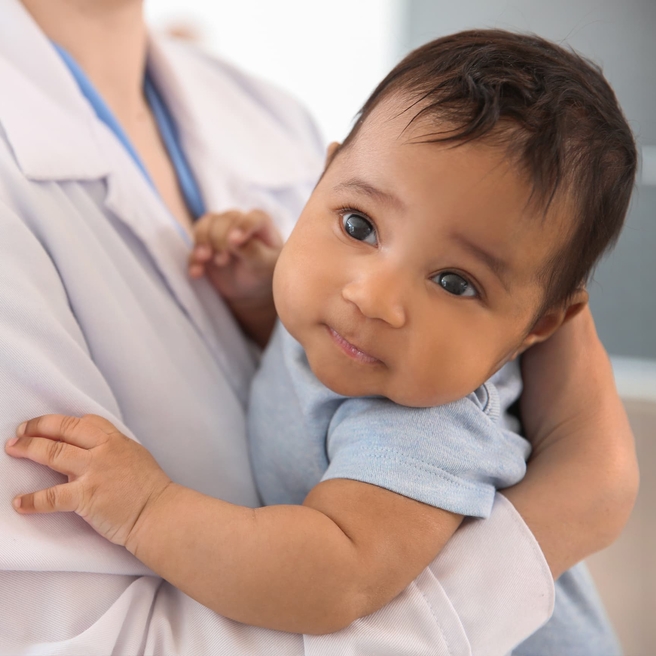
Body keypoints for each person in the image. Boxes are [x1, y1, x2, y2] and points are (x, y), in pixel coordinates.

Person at [0, 1, 637, 654]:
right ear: (325, 176)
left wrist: (148, 511)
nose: (370, 297)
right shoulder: (374, 341)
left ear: (541, 327)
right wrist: (258, 303)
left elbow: (335, 578)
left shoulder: (427, 427)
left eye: (455, 282)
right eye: (359, 226)